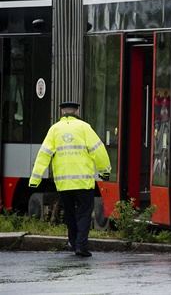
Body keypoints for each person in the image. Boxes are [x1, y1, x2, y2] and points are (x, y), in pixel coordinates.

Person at [28, 101, 111, 257]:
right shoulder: (84, 127)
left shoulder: (54, 130)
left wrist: (35, 179)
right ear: (77, 112)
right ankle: (81, 246)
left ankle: (73, 244)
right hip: (83, 182)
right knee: (84, 213)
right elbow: (98, 150)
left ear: (62, 112)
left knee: (70, 214)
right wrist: (105, 171)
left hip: (64, 183)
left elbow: (43, 155)